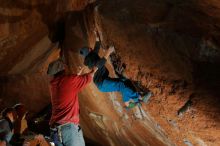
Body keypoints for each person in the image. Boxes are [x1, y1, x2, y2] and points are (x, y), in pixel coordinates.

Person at [79, 31, 152, 109]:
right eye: (90, 48)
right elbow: (99, 64)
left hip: (103, 81)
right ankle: (138, 99)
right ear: (89, 51)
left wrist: (97, 36)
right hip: (102, 83)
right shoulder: (91, 60)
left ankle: (132, 102)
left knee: (124, 81)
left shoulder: (91, 55)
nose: (91, 48)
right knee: (121, 85)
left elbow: (97, 46)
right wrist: (108, 52)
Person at [47, 58, 97, 146]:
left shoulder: (53, 85)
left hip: (55, 132)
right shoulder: (69, 80)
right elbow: (89, 77)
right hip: (68, 130)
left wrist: (76, 76)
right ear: (63, 69)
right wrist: (96, 67)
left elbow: (67, 86)